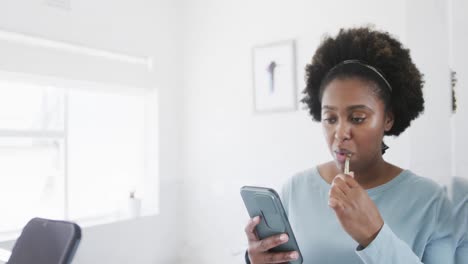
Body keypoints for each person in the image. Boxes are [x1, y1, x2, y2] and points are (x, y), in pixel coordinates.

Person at [244, 27, 454, 264]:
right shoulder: (295, 190)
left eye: (357, 118)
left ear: (388, 118)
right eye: (330, 119)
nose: (340, 133)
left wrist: (375, 235)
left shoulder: (430, 201)